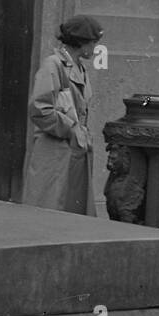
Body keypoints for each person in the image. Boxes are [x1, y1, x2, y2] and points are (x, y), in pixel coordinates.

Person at [23, 13, 103, 215]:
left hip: (74, 154)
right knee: (49, 212)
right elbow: (40, 108)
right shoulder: (53, 65)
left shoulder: (79, 68)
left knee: (73, 214)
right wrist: (71, 128)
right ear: (81, 43)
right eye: (93, 42)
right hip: (54, 154)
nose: (95, 48)